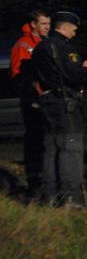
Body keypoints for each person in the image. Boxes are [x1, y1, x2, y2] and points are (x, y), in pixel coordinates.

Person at [31, 11, 87, 208]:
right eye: (73, 30)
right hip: (65, 103)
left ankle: (49, 195)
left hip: (47, 102)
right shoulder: (64, 48)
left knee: (51, 149)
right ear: (65, 27)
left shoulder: (40, 47)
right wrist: (86, 69)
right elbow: (73, 74)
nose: (74, 34)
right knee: (70, 149)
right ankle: (70, 196)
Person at [10, 10, 50, 195]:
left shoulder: (45, 42)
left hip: (46, 99)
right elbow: (19, 75)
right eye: (43, 24)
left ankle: (45, 177)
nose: (47, 28)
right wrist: (34, 88)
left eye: (49, 24)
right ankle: (34, 180)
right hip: (31, 100)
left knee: (45, 140)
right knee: (34, 139)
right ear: (33, 24)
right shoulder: (23, 45)